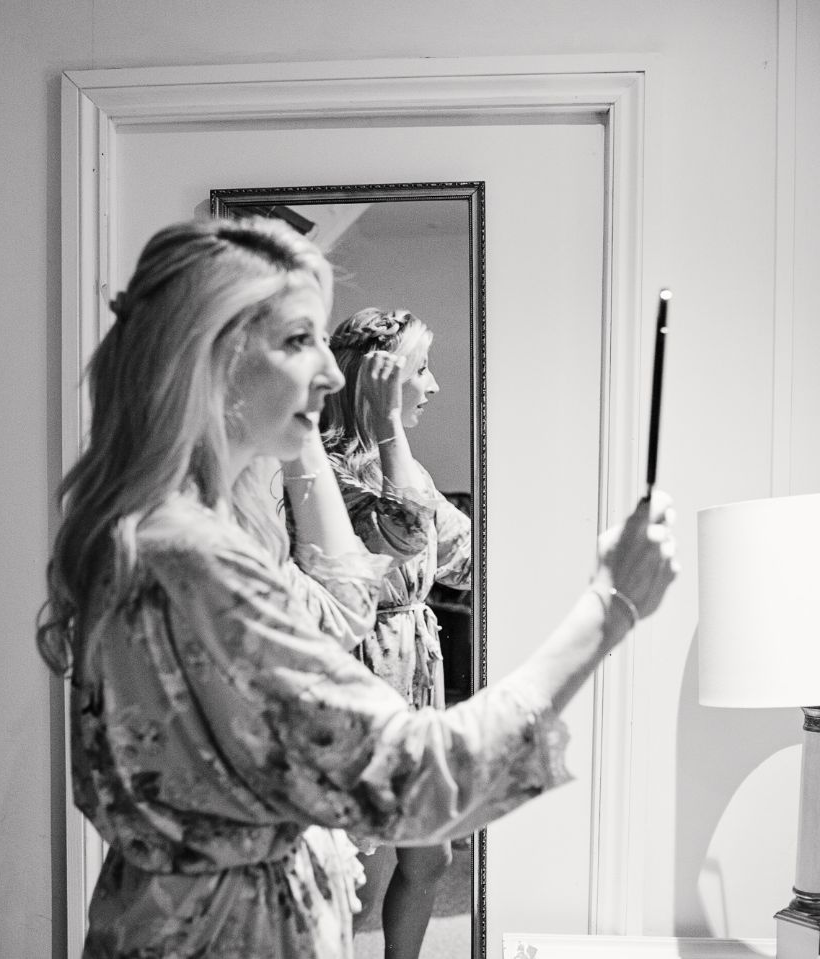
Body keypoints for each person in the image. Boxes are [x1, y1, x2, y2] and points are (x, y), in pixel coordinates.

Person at [38, 216, 678, 959]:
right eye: (298, 339)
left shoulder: (174, 528)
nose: (335, 374)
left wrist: (300, 425)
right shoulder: (194, 558)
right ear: (209, 357)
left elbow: (345, 605)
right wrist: (610, 608)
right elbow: (419, 780)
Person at [319, 307, 471, 956]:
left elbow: (464, 559)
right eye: (420, 369)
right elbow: (407, 532)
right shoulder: (324, 471)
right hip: (360, 670)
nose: (433, 385)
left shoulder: (407, 465)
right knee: (356, 863)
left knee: (430, 854)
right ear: (376, 378)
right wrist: (385, 427)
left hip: (415, 672)